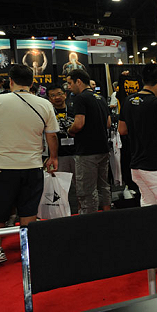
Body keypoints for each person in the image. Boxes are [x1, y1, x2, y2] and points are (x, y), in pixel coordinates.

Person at [0, 65, 59, 265]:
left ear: (10, 81)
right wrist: (53, 157)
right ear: (32, 83)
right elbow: (52, 135)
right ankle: (28, 249)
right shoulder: (44, 104)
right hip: (32, 165)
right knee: (29, 211)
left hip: (0, 165)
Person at [118, 64, 157, 219]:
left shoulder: (128, 100)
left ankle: (153, 241)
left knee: (148, 206)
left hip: (136, 165)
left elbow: (122, 130)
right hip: (155, 165)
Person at [66, 69, 111, 214]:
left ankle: (89, 224)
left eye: (69, 83)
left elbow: (79, 124)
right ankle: (107, 216)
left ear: (78, 81)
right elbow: (108, 123)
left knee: (87, 190)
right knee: (103, 186)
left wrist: (69, 130)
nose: (68, 87)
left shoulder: (80, 98)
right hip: (103, 148)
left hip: (87, 151)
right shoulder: (101, 98)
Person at [46, 83, 79, 214]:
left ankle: (81, 211)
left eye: (59, 94)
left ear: (65, 95)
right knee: (60, 188)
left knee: (80, 186)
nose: (57, 98)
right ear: (49, 99)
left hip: (77, 152)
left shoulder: (74, 109)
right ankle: (62, 213)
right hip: (58, 155)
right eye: (53, 96)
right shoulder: (48, 112)